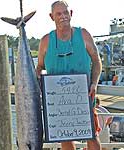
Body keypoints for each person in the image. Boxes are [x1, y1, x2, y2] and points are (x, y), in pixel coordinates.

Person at [36, 1, 102, 150]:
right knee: (65, 138)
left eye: (66, 12)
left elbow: (97, 61)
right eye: (58, 14)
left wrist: (94, 83)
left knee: (92, 136)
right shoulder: (45, 41)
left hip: (85, 97)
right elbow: (39, 67)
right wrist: (37, 88)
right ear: (51, 16)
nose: (63, 16)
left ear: (71, 14)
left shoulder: (83, 34)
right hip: (58, 102)